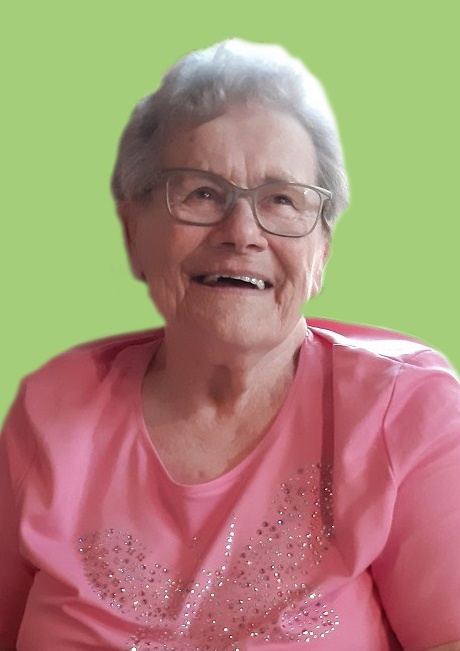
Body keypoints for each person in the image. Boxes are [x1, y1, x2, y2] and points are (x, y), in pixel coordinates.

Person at [0, 39, 459, 651]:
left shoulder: (405, 410)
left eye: (282, 200)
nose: (241, 233)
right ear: (134, 233)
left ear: (321, 253)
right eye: (200, 193)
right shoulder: (51, 407)